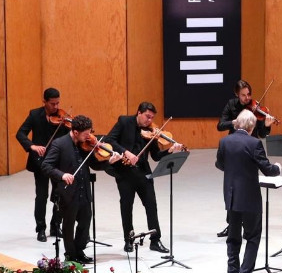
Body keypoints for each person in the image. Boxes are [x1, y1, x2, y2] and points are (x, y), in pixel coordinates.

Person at [105, 102, 185, 254]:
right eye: (147, 117)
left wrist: (170, 150)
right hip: (124, 172)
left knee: (151, 205)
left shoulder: (151, 131)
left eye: (152, 118)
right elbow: (110, 140)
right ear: (139, 113)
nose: (150, 121)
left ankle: (155, 240)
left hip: (143, 172)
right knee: (127, 206)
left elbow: (155, 156)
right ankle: (128, 240)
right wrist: (126, 152)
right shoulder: (124, 121)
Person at [41, 115, 122, 263]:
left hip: (84, 191)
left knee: (85, 222)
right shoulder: (59, 144)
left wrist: (109, 162)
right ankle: (70, 255)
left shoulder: (85, 144)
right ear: (76, 132)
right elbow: (46, 166)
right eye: (85, 134)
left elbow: (95, 165)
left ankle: (79, 251)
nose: (89, 137)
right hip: (67, 192)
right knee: (68, 225)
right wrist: (62, 174)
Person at [216, 110, 282, 273]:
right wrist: (278, 168)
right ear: (251, 127)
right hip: (249, 196)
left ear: (237, 123)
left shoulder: (225, 141)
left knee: (233, 235)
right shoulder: (254, 143)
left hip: (230, 196)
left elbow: (220, 164)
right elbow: (267, 169)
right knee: (253, 235)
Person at [215, 79, 276, 237]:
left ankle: (248, 224)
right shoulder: (231, 105)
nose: (247, 98)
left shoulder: (256, 108)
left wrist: (267, 125)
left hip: (251, 149)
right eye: (243, 95)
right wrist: (234, 122)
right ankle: (231, 225)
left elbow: (262, 134)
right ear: (237, 94)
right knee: (232, 188)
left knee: (248, 187)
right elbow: (220, 125)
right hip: (234, 149)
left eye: (249, 94)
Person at [16, 87, 69, 242]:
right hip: (40, 162)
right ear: (44, 102)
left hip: (57, 162)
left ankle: (55, 225)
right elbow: (20, 133)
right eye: (52, 104)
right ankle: (41, 228)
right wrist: (32, 146)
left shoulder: (62, 118)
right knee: (41, 196)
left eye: (58, 103)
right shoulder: (34, 115)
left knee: (59, 194)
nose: (56, 107)